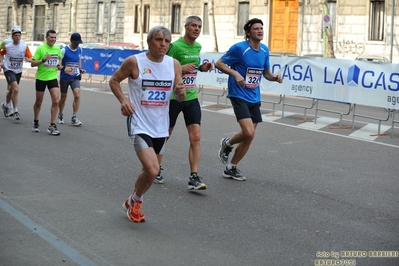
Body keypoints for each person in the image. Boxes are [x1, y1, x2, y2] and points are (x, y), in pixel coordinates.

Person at [109, 26, 185, 223]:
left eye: (167, 41)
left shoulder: (174, 64)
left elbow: (179, 94)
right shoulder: (135, 62)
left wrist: (181, 93)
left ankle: (132, 200)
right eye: (159, 40)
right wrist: (124, 101)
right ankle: (137, 201)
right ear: (149, 42)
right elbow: (114, 81)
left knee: (150, 171)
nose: (163, 44)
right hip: (139, 124)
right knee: (153, 170)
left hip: (161, 126)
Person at [215, 18, 283, 181]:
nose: (260, 31)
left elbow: (265, 73)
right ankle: (228, 143)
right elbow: (219, 63)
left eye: (261, 28)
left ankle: (231, 167)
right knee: (248, 132)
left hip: (254, 95)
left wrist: (274, 77)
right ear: (248, 32)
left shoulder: (264, 50)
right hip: (238, 94)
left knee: (249, 136)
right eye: (256, 29)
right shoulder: (240, 48)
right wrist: (236, 74)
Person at [154, 16, 213, 190]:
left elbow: (192, 68)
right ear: (186, 27)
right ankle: (155, 168)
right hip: (173, 98)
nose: (197, 29)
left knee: (196, 137)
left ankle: (194, 176)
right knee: (166, 134)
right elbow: (162, 68)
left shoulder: (198, 46)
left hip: (191, 96)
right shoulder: (175, 46)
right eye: (193, 26)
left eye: (199, 27)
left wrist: (202, 67)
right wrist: (181, 68)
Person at [30, 29, 63, 135]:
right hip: (41, 78)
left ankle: (52, 125)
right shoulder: (41, 49)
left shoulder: (57, 49)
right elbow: (33, 63)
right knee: (39, 101)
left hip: (52, 77)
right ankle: (36, 121)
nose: (53, 39)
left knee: (56, 101)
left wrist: (60, 67)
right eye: (51, 37)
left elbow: (58, 63)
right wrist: (43, 60)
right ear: (47, 38)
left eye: (55, 37)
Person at [0, 25, 32, 120]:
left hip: (18, 70)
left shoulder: (24, 46)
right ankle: (15, 111)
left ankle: (5, 105)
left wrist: (28, 59)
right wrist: (1, 62)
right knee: (16, 89)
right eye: (16, 35)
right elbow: (1, 53)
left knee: (11, 89)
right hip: (8, 69)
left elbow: (30, 57)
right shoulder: (7, 46)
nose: (17, 37)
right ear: (12, 36)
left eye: (19, 35)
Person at [57, 32, 85, 126]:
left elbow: (79, 61)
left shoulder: (80, 50)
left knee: (77, 95)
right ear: (71, 41)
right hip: (65, 77)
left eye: (78, 43)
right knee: (63, 98)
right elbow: (58, 65)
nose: (77, 44)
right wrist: (64, 68)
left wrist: (81, 69)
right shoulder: (64, 50)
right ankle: (60, 114)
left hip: (75, 77)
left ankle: (74, 117)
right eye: (75, 42)